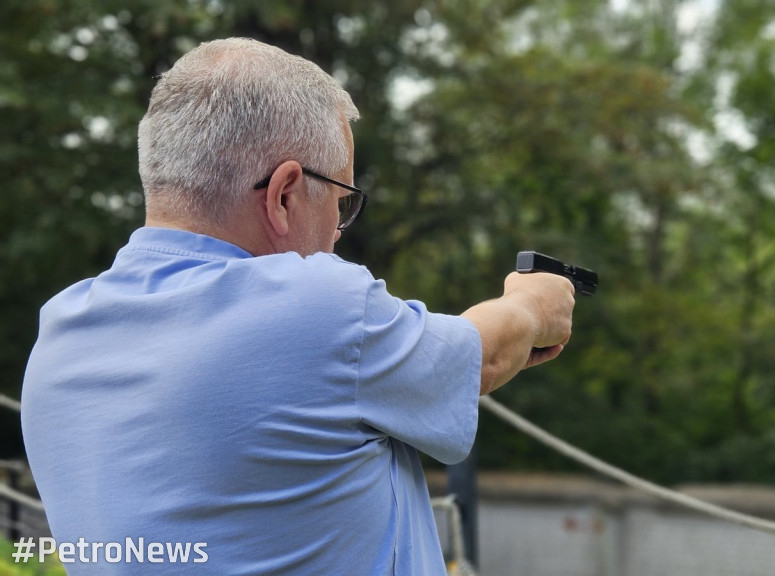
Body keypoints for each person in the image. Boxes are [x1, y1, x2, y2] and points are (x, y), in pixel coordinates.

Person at [20, 38, 574, 575]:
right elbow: (485, 356)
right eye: (340, 200)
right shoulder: (316, 305)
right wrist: (531, 302)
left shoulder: (59, 335)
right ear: (285, 193)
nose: (337, 231)